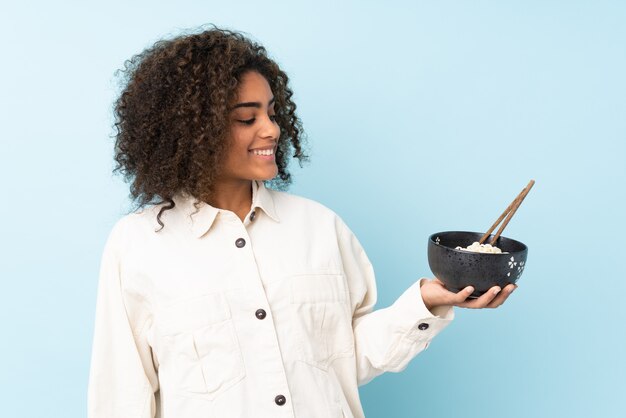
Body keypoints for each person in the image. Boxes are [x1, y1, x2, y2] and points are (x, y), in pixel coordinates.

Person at [87, 24, 516, 418]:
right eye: (246, 118)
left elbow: (346, 358)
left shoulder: (320, 227)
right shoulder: (140, 244)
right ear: (191, 129)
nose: (271, 129)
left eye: (272, 113)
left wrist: (427, 300)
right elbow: (120, 396)